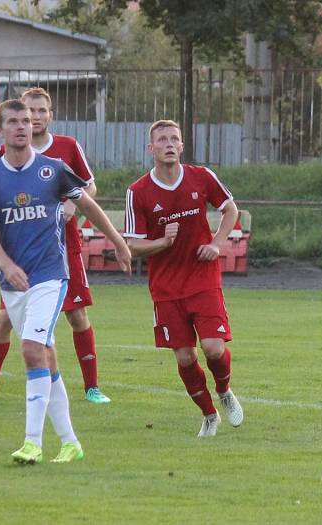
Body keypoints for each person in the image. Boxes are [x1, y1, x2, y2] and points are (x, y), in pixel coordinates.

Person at [0, 99, 131, 464]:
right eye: (13, 121)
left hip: (50, 274)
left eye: (26, 121)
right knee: (47, 358)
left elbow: (89, 205)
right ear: (0, 131)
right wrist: (6, 265)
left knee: (31, 348)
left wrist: (119, 242)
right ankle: (71, 442)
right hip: (13, 281)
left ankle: (32, 443)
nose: (22, 127)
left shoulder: (54, 169)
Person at [0, 87, 112, 407]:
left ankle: (92, 387)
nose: (33, 119)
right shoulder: (7, 153)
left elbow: (89, 187)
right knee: (4, 319)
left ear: (48, 115)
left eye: (41, 112)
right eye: (28, 113)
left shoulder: (67, 148)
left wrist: (72, 207)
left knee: (76, 314)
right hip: (21, 250)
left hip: (64, 246)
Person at [123, 119, 244, 437]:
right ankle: (209, 415)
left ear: (181, 146)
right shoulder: (138, 192)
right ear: (151, 149)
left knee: (214, 348)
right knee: (186, 355)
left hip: (203, 278)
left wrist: (217, 244)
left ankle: (224, 390)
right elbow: (132, 245)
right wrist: (163, 242)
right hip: (165, 287)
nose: (168, 144)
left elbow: (231, 209)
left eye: (174, 139)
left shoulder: (201, 177)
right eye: (161, 139)